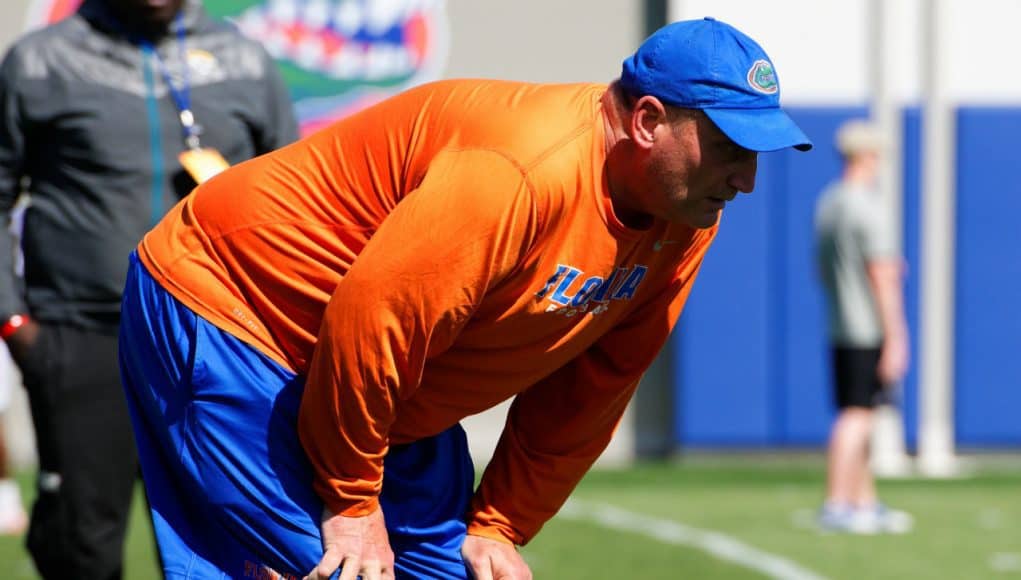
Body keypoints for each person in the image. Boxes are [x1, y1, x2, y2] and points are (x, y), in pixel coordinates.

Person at [119, 16, 811, 579]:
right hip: (236, 312)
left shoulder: (685, 213)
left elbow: (595, 382)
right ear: (648, 121)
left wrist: (499, 522)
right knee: (333, 570)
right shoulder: (518, 171)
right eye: (726, 147)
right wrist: (352, 499)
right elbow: (376, 319)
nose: (744, 179)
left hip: (376, 386)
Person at [0, 0, 299, 576]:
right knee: (80, 544)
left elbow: (291, 202)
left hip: (216, 343)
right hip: (83, 337)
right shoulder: (41, 61)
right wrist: (15, 323)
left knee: (229, 544)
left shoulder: (246, 59)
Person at [814, 119, 913, 534]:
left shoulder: (830, 202)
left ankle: (863, 502)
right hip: (866, 326)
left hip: (840, 320)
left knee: (863, 412)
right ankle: (838, 502)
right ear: (869, 155)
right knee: (857, 415)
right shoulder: (868, 206)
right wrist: (896, 335)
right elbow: (882, 274)